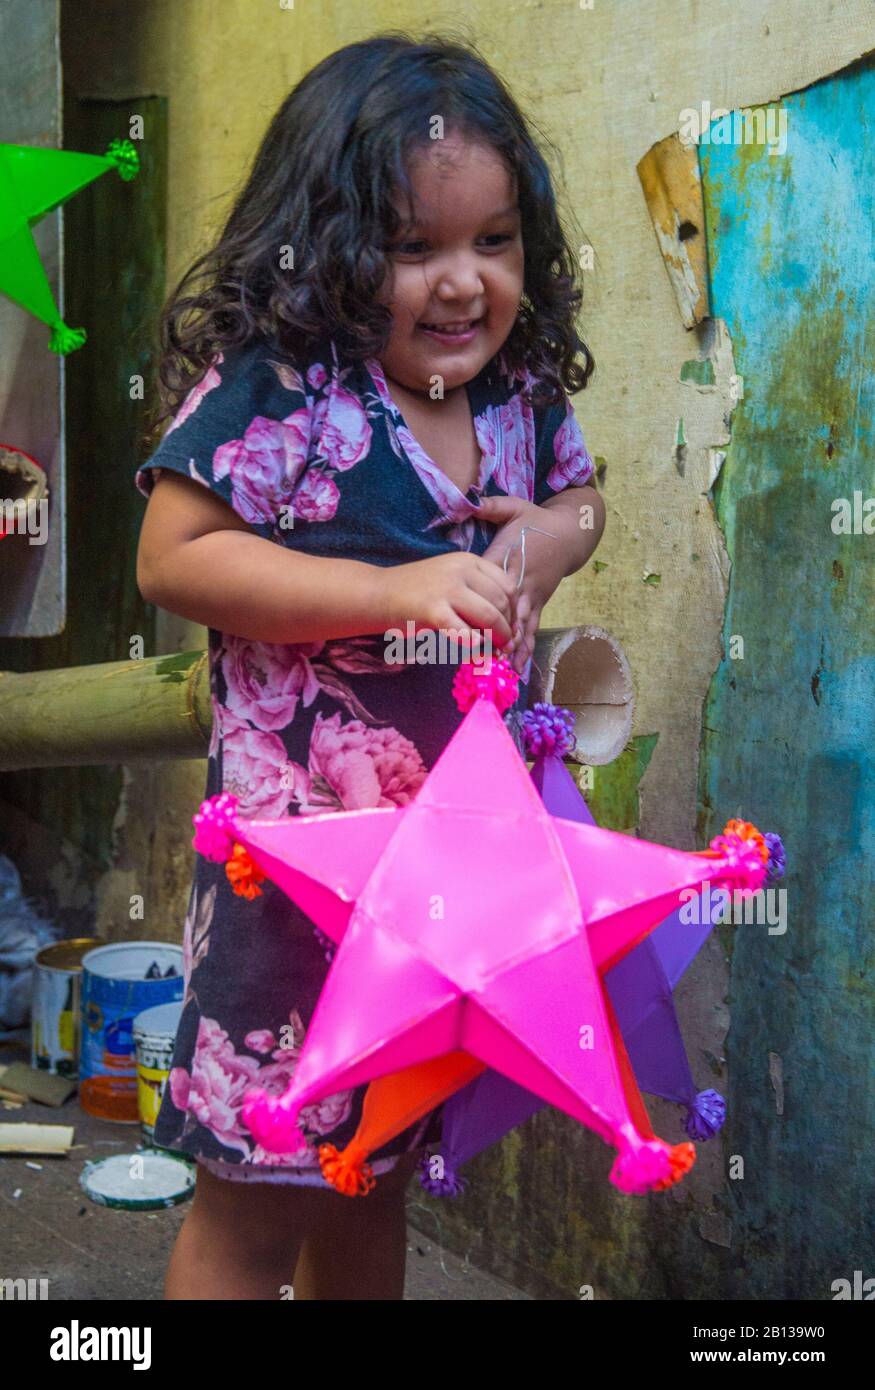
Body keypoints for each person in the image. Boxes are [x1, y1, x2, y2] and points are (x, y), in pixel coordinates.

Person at [134, 32, 605, 1301]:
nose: (461, 285)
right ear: (331, 244)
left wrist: (551, 543)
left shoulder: (512, 397)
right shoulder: (282, 394)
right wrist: (386, 588)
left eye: (493, 242)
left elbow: (581, 502)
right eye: (414, 249)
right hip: (288, 893)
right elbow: (173, 557)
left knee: (371, 1172)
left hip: (443, 887)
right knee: (253, 1195)